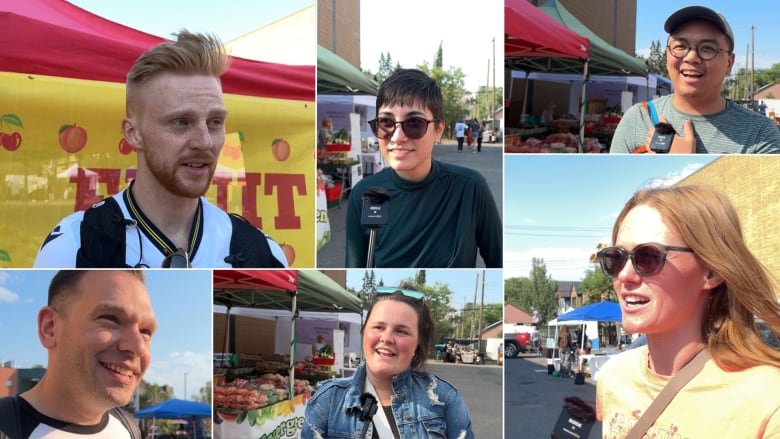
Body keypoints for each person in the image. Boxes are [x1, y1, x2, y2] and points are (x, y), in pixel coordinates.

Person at [33, 30, 288, 268]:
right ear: (133, 133)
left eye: (215, 122)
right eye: (181, 122)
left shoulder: (262, 253)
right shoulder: (75, 246)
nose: (205, 142)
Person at [595, 185, 780, 437]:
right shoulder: (614, 377)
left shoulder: (767, 402)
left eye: (647, 257)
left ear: (711, 271)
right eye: (615, 258)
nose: (624, 275)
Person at [345, 69, 502, 268]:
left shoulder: (470, 189)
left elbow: (499, 263)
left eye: (414, 123)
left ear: (438, 130)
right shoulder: (364, 194)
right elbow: (355, 267)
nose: (397, 137)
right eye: (386, 122)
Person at [0, 270, 156, 438]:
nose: (138, 346)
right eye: (110, 318)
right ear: (50, 328)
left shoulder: (129, 429)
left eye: (145, 331)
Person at [302, 288, 474, 438]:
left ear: (418, 344)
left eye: (401, 331)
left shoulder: (445, 399)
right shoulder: (327, 399)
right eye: (378, 327)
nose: (386, 338)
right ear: (364, 332)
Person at [610, 6, 780, 153]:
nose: (691, 57)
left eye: (707, 48)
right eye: (680, 46)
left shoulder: (760, 134)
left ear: (729, 63)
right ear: (667, 56)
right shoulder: (636, 119)